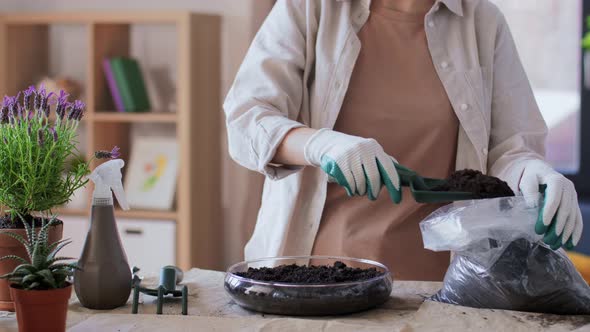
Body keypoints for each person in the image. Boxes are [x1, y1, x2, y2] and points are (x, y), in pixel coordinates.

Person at [223, 0, 584, 280]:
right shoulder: (311, 8)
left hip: (440, 283)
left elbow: (511, 147)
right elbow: (247, 119)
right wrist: (321, 145)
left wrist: (535, 173)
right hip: (318, 276)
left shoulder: (482, 22)